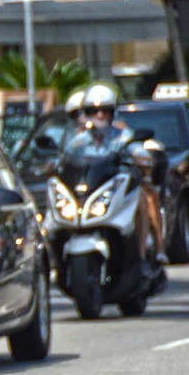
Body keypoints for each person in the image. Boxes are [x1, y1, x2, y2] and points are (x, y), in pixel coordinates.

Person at [72, 84, 168, 264]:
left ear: (112, 112)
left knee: (141, 198)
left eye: (104, 111)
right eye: (94, 111)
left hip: (117, 187)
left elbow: (137, 149)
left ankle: (142, 254)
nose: (100, 115)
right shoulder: (80, 140)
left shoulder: (122, 134)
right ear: (87, 113)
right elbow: (67, 157)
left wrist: (142, 157)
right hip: (91, 189)